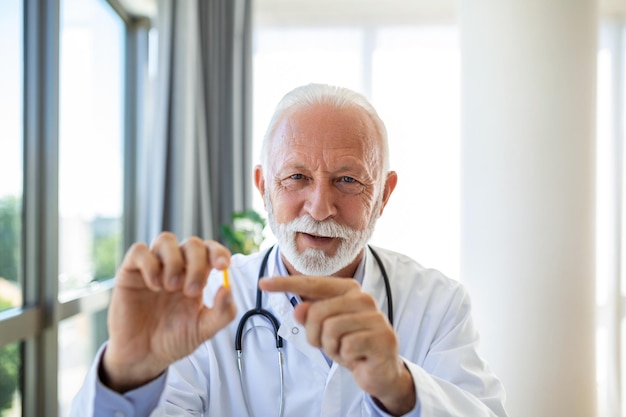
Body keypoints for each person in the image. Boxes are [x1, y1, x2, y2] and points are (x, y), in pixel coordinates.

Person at [70, 83, 508, 417]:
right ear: (263, 187)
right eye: (296, 177)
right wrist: (127, 374)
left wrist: (399, 387)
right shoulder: (205, 301)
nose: (320, 208)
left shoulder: (438, 304)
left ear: (385, 195)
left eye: (348, 180)